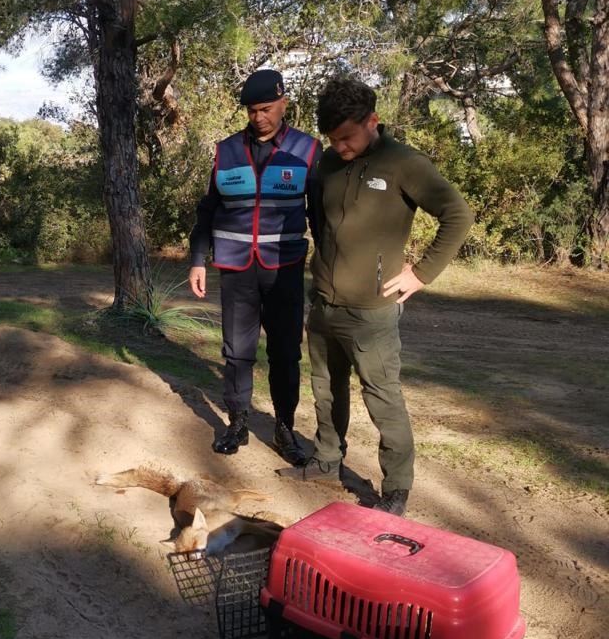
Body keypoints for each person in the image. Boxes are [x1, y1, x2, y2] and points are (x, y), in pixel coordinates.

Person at [279, 76, 474, 516]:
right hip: (325, 305)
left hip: (372, 313)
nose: (340, 147)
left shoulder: (404, 163)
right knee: (326, 391)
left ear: (373, 121)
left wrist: (421, 274)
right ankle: (327, 460)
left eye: (347, 137)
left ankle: (396, 489)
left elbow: (458, 214)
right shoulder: (327, 164)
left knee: (382, 398)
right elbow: (320, 221)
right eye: (333, 139)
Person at [188, 69, 320, 463]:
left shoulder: (307, 150)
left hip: (286, 268)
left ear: (284, 103)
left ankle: (284, 427)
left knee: (285, 353)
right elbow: (208, 209)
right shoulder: (226, 150)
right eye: (251, 110)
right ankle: (237, 422)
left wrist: (329, 266)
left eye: (266, 108)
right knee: (237, 351)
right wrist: (197, 259)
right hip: (237, 267)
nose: (258, 116)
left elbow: (322, 216)